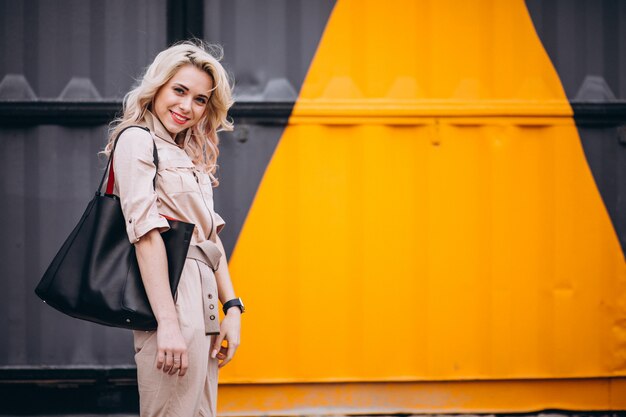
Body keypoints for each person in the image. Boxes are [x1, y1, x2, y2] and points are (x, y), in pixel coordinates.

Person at [103, 40, 243, 416]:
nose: (187, 107)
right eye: (179, 91)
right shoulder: (136, 140)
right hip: (171, 292)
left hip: (205, 294)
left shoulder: (186, 154)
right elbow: (145, 234)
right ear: (158, 87)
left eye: (200, 99)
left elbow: (209, 238)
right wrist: (167, 322)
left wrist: (232, 307)